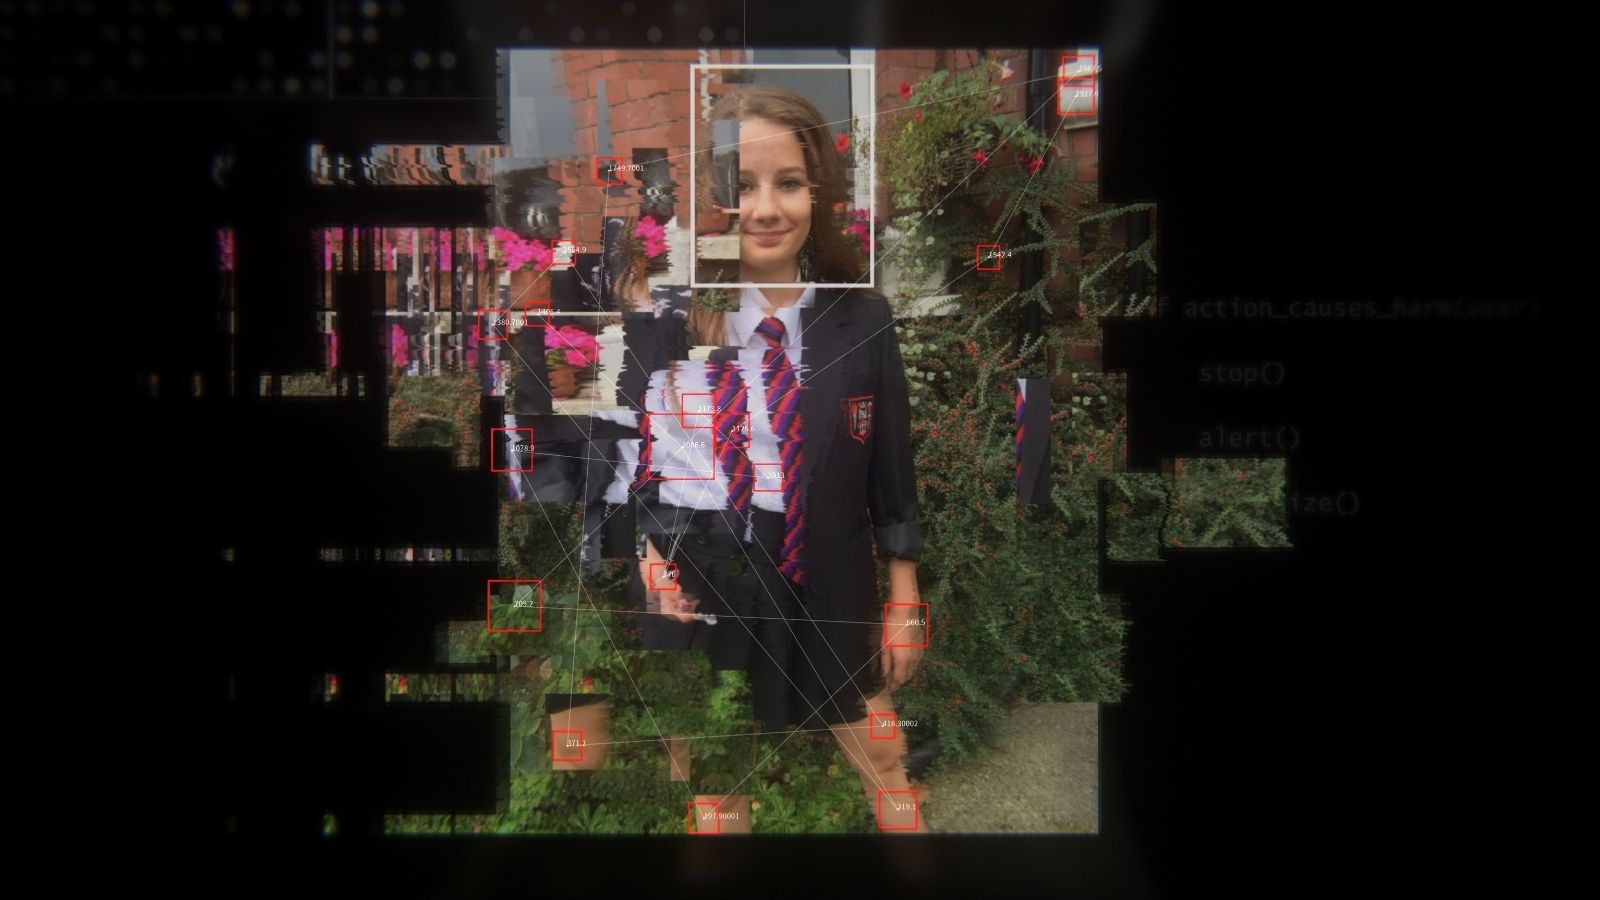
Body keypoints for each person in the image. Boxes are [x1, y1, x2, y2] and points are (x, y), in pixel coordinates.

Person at [629, 84, 928, 832]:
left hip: (829, 570)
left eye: (787, 182)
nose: (765, 209)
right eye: (740, 186)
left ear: (814, 190)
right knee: (716, 786)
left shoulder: (863, 319)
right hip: (705, 573)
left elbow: (891, 470)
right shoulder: (674, 315)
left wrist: (903, 596)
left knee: (884, 757)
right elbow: (643, 457)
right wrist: (649, 554)